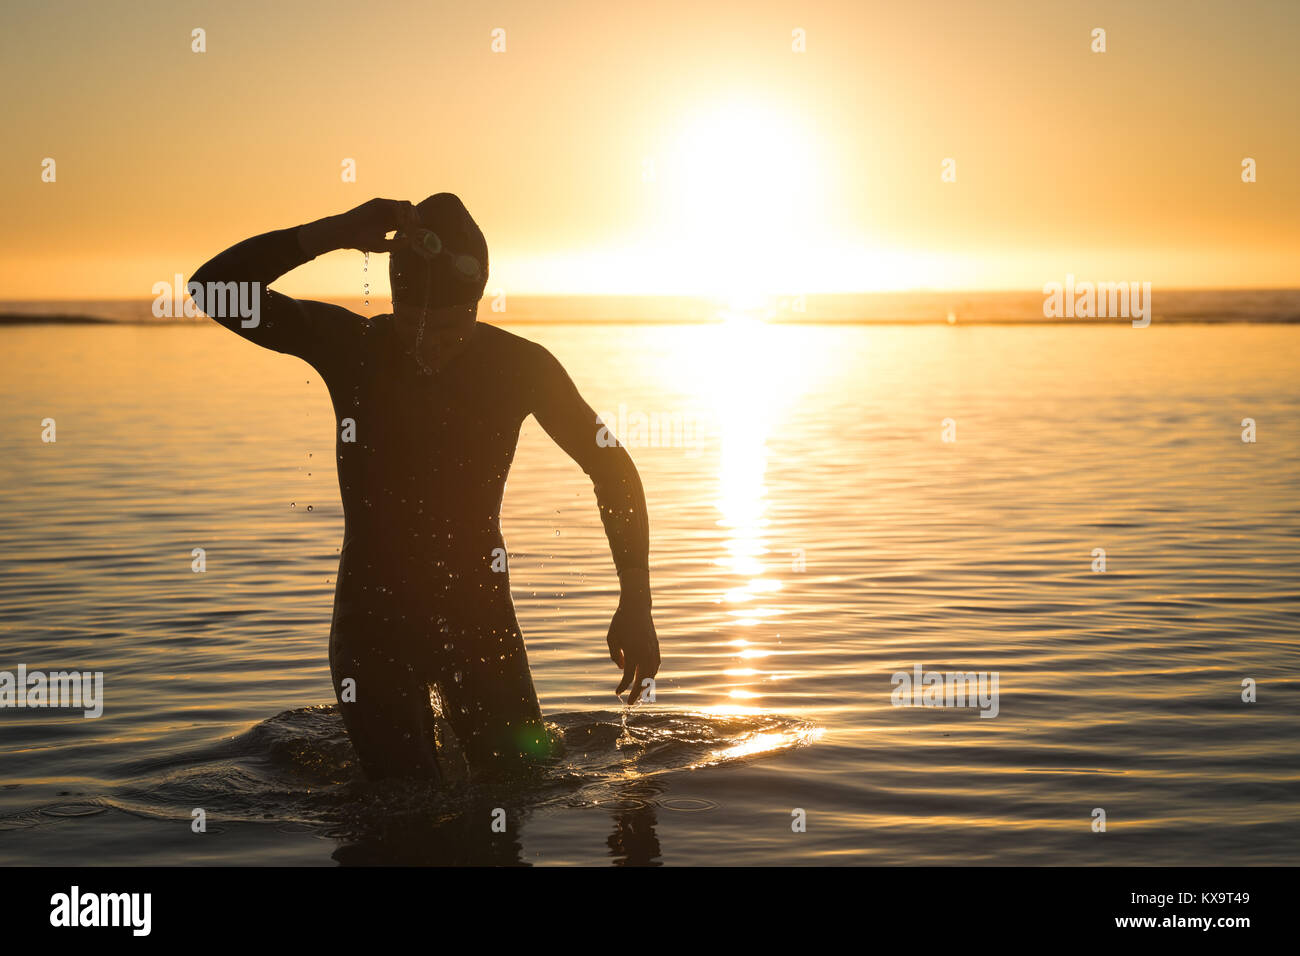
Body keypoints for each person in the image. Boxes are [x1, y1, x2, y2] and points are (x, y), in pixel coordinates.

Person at [190, 195, 659, 781]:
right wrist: (330, 233)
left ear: (477, 303)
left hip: (478, 614)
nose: (429, 346)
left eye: (449, 328)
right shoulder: (354, 346)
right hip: (373, 618)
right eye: (413, 325)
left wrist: (635, 600)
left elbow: (611, 466)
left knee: (517, 787)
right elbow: (213, 288)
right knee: (398, 805)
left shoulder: (520, 366)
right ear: (393, 303)